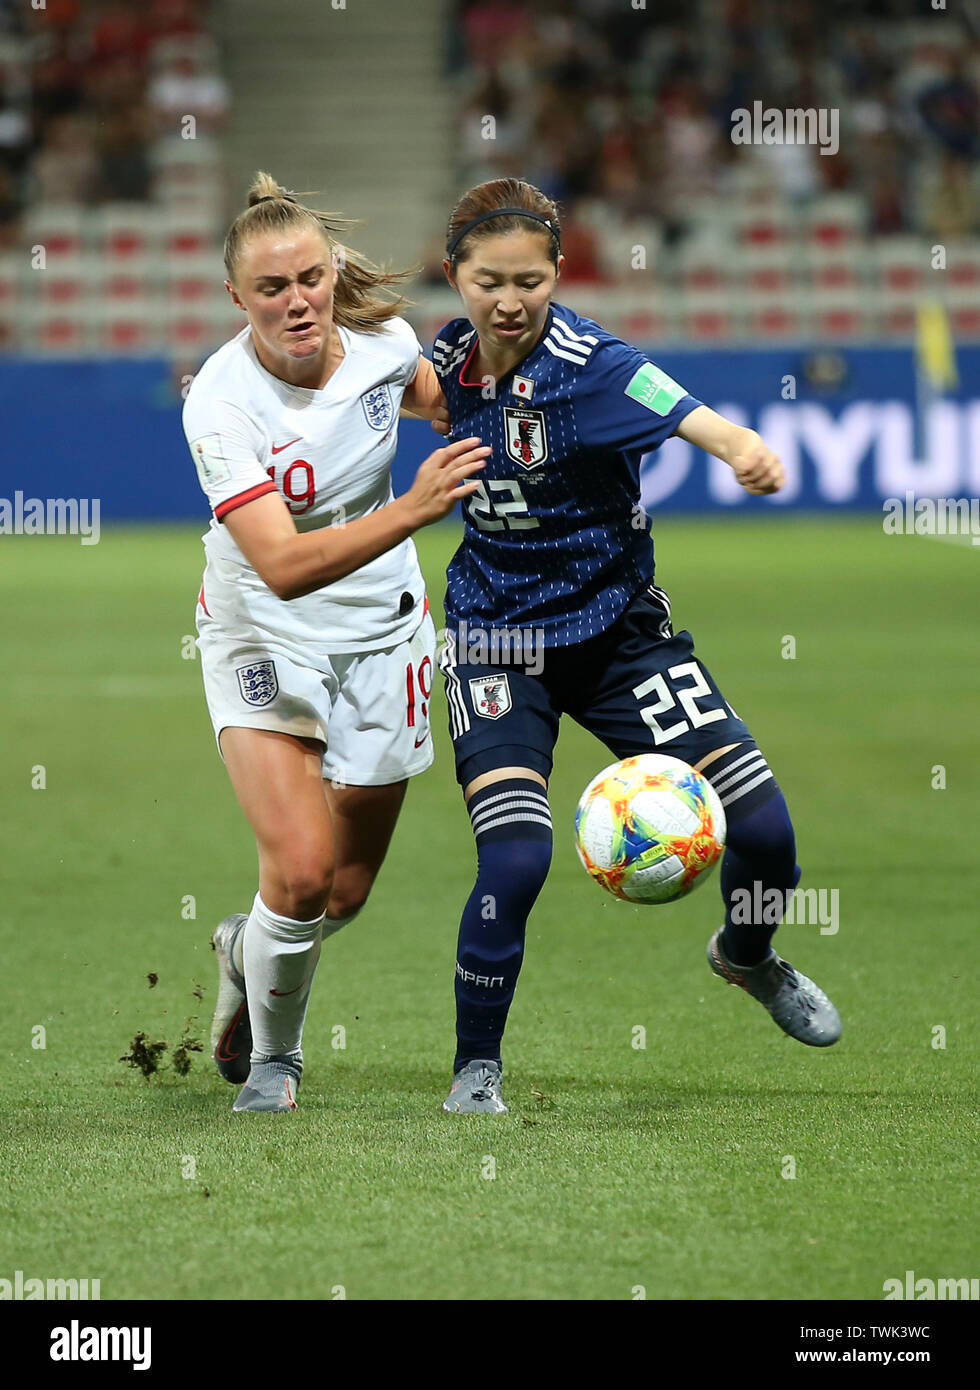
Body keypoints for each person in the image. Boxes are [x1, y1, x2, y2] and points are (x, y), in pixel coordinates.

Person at [433, 177, 841, 1115]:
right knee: (515, 862)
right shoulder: (436, 364)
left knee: (770, 835)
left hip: (622, 639)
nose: (509, 300)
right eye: (489, 279)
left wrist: (742, 449)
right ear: (454, 275)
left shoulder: (597, 367)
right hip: (498, 642)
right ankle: (475, 1072)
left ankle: (747, 957)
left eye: (530, 280)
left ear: (557, 274)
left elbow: (697, 415)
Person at [182, 172, 489, 1113]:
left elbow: (455, 409)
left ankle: (246, 947)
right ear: (237, 297)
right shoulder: (221, 405)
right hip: (263, 633)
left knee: (340, 896)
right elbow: (280, 564)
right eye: (270, 289)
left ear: (333, 271)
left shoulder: (389, 349)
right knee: (303, 871)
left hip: (385, 636)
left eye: (309, 278)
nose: (296, 301)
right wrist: (413, 508)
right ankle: (277, 1064)